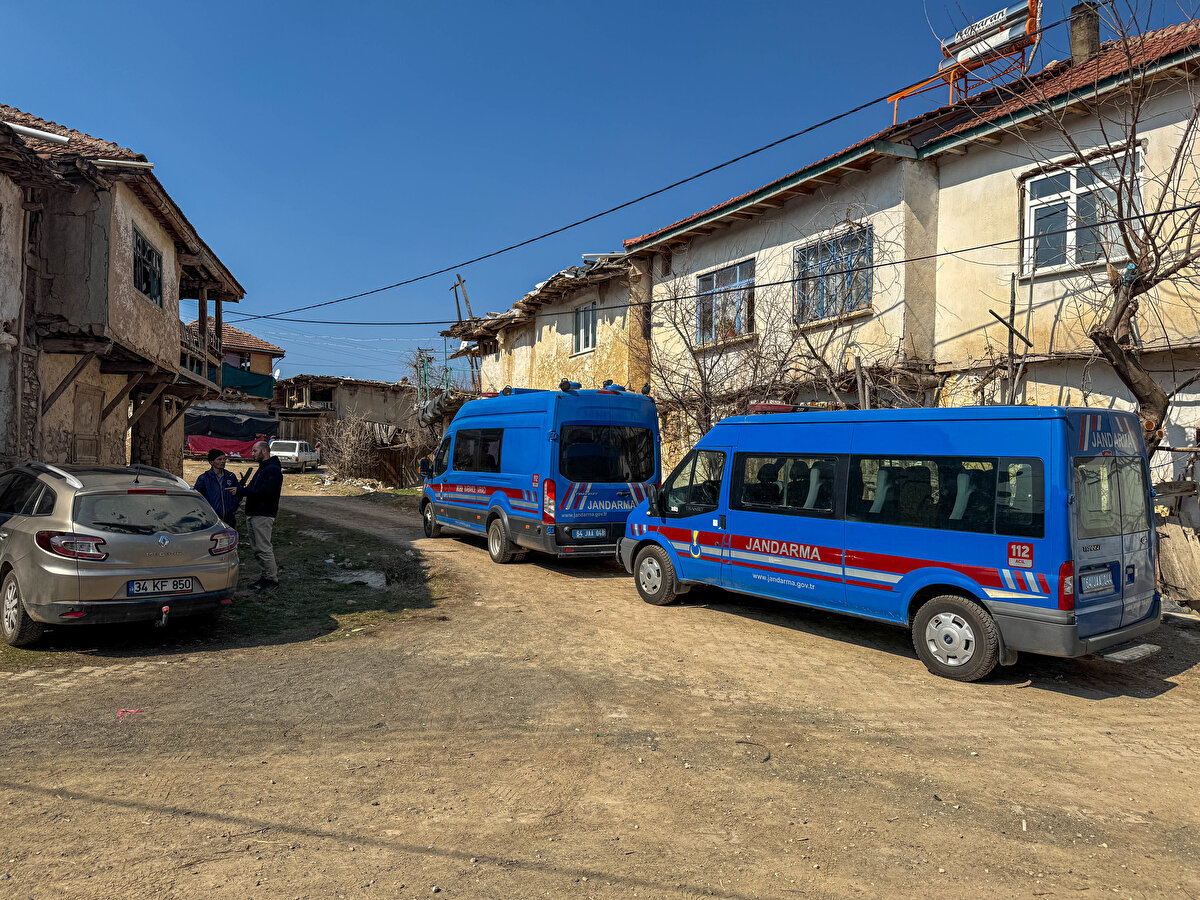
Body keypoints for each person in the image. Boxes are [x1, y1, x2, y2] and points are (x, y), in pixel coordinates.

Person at [238, 440, 283, 590]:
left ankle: (272, 579)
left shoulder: (272, 470)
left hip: (263, 514)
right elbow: (253, 488)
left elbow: (265, 492)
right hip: (254, 513)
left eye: (255, 451)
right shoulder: (263, 468)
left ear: (264, 451)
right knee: (257, 549)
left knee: (263, 548)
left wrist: (241, 491)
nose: (252, 454)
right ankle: (265, 577)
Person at [194, 448, 240, 527]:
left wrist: (233, 507)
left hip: (229, 519)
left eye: (224, 459)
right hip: (210, 519)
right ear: (211, 462)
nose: (223, 461)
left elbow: (238, 493)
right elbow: (197, 497)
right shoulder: (204, 478)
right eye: (219, 459)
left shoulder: (231, 476)